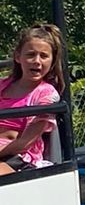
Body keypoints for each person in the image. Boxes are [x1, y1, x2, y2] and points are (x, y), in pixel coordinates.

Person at [0, 24, 65, 175]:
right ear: (18, 57)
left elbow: (24, 144)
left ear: (52, 61)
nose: (37, 61)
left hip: (19, 159)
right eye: (30, 55)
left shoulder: (46, 95)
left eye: (43, 56)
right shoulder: (2, 85)